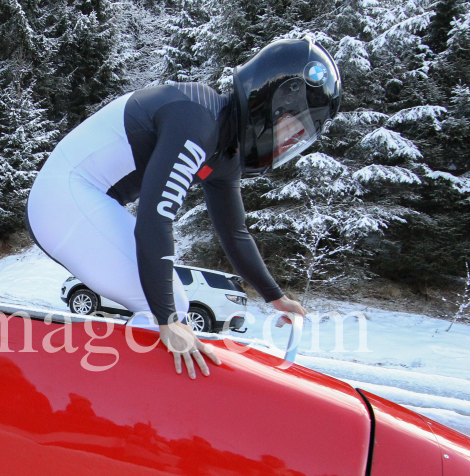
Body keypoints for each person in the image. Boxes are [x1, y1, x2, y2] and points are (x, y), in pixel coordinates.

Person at [27, 38, 341, 378]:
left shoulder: (223, 149)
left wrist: (274, 297)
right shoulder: (197, 119)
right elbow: (155, 218)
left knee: (169, 306)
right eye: (290, 129)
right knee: (167, 308)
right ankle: (115, 409)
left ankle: (119, 402)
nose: (288, 143)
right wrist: (167, 319)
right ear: (271, 104)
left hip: (76, 198)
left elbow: (234, 234)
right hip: (63, 197)